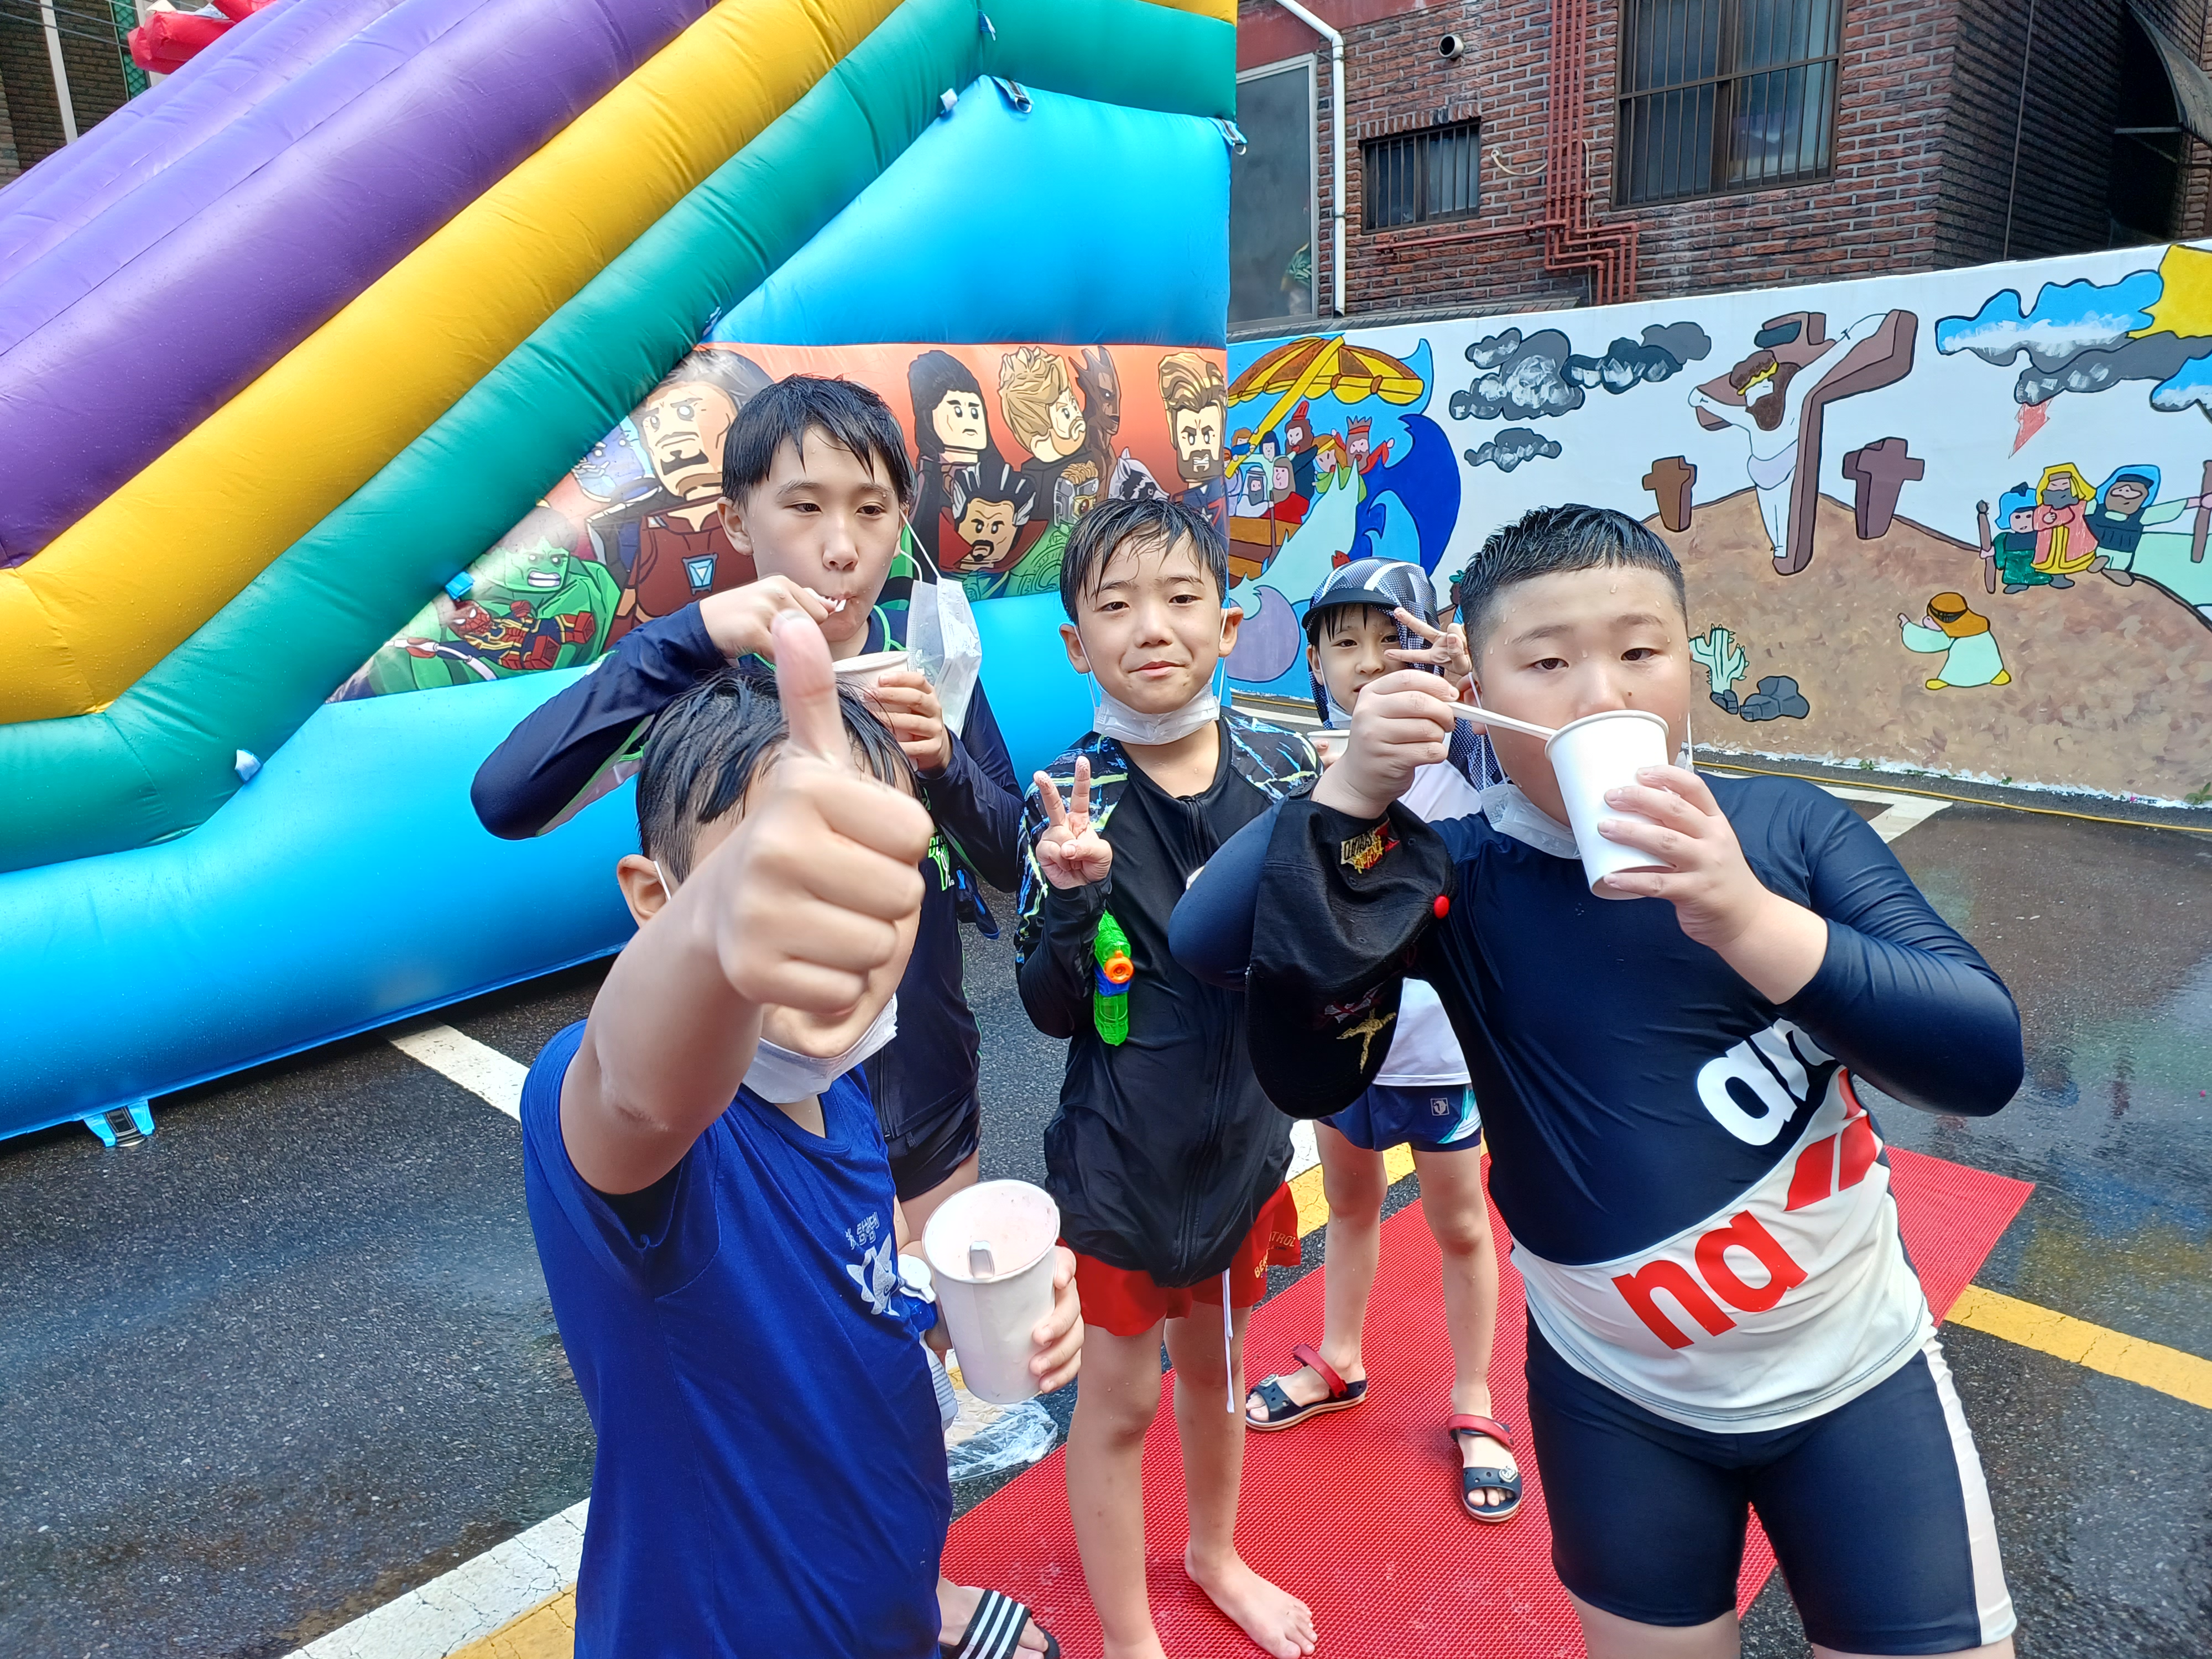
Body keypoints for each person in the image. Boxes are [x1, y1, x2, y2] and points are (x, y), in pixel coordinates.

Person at [1175, 505, 2025, 1659]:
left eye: (1640, 650)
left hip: (1859, 1378)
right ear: (1476, 690)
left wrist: (1742, 916)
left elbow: (1981, 1058)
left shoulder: (1785, 831)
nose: (1601, 694)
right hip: (1614, 1400)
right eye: (1546, 664)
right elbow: (1208, 945)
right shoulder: (1456, 875)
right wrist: (1348, 795)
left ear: (1687, 663)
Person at [474, 376, 1040, 1651]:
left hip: (905, 1076)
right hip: (730, 1088)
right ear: (736, 520)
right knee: (742, 1368)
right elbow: (510, 802)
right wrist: (693, 646)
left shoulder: (925, 666)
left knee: (887, 1350)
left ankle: (916, 1591)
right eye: (803, 506)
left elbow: (1003, 856)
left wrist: (937, 767)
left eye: (871, 510)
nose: (841, 545)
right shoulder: (710, 705)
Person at [1014, 497, 1319, 1659]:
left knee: (1221, 1369)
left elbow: (1323, 959)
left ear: (1229, 622)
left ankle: (1215, 1553)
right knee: (1122, 1399)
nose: (1152, 626)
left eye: (1182, 597)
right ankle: (1128, 1636)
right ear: (1074, 642)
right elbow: (1053, 1014)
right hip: (1119, 1166)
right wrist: (1073, 899)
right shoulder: (1066, 794)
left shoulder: (1283, 771)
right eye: (1116, 605)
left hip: (1244, 1150)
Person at [1235, 557, 1520, 1525]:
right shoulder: (1305, 770)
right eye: (1344, 643)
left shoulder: (1469, 752)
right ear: (1314, 661)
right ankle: (1340, 1360)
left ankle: (1474, 1399)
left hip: (1439, 1054)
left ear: (1434, 652)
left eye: (1392, 640)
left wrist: (1475, 691)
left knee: (1461, 1225)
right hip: (1340, 1046)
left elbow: (1535, 783)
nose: (1366, 663)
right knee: (1350, 1204)